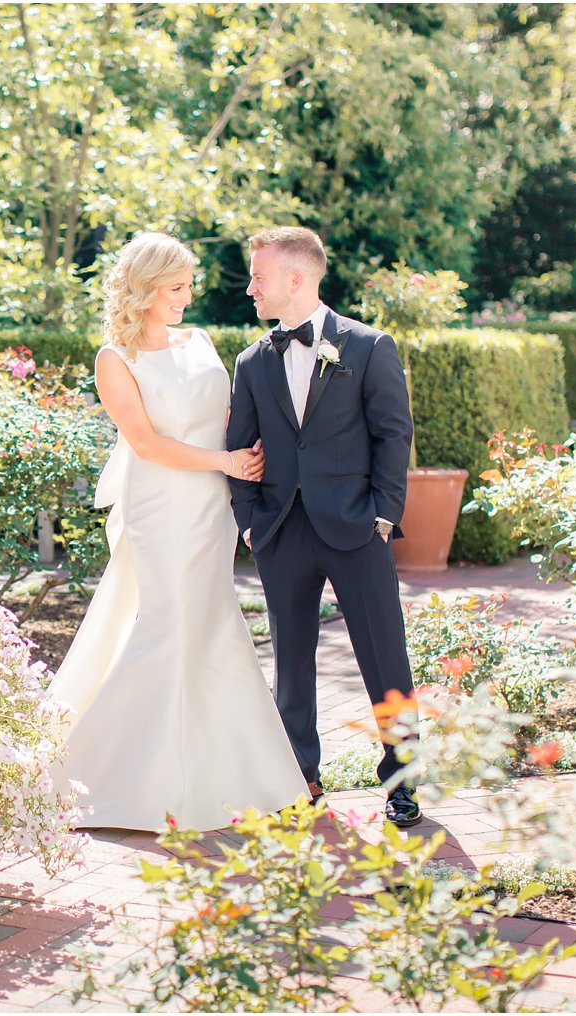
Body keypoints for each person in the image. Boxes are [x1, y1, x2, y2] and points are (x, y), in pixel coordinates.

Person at [48, 232, 308, 832]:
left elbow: (225, 416)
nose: (187, 298)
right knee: (168, 630)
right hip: (161, 507)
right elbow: (146, 443)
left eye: (188, 286)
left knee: (214, 626)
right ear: (143, 290)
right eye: (176, 288)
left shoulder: (200, 341)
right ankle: (94, 774)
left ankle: (242, 777)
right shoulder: (115, 359)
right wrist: (228, 463)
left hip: (209, 507)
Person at [225, 226, 422, 827]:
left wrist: (384, 518)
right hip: (283, 531)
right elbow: (239, 448)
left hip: (358, 528)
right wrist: (251, 524)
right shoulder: (253, 361)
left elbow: (394, 435)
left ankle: (404, 780)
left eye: (259, 277)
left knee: (384, 658)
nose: (250, 288)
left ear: (296, 278)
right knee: (291, 663)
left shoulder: (367, 347)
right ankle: (301, 777)